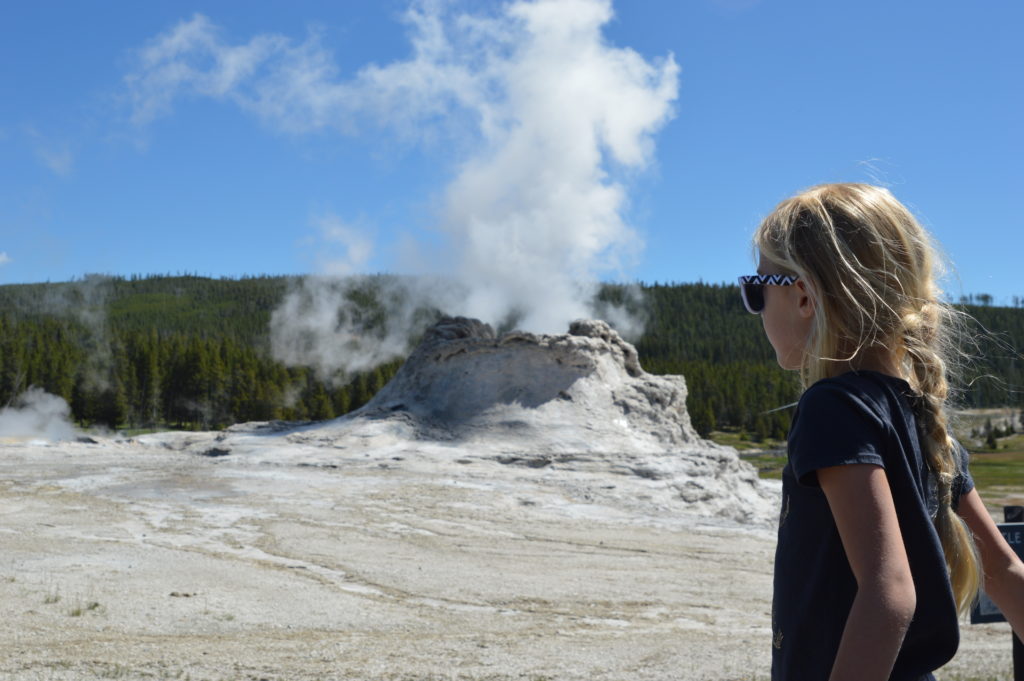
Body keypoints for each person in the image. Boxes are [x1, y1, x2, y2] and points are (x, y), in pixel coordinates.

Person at [740, 183, 1024, 681]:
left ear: (803, 296)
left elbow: (889, 592)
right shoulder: (923, 421)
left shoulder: (833, 408)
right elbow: (1004, 574)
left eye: (755, 288)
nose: (756, 307)